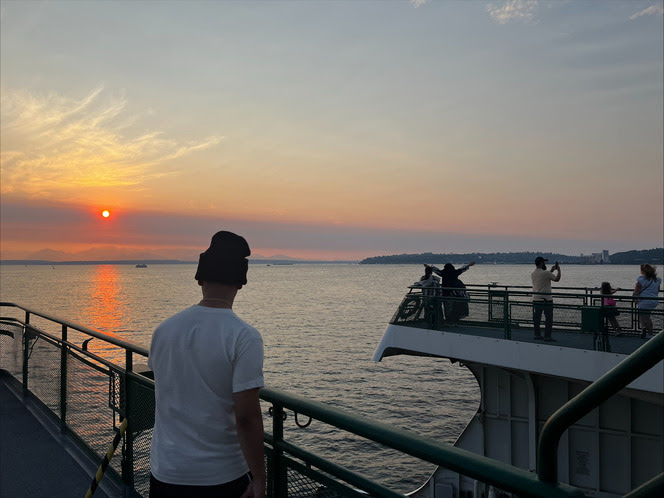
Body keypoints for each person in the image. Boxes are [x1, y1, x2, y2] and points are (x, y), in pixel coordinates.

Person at [148, 231, 266, 498]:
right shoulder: (244, 336)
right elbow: (246, 418)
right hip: (221, 476)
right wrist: (259, 478)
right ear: (241, 283)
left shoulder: (164, 330)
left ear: (200, 279)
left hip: (166, 471)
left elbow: (167, 384)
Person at [531, 256, 561, 341]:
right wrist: (558, 270)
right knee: (548, 319)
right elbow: (557, 279)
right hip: (546, 299)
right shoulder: (546, 273)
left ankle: (537, 334)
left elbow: (544, 278)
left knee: (537, 319)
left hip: (536, 299)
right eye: (544, 262)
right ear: (541, 263)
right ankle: (547, 336)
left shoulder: (533, 273)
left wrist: (551, 271)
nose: (545, 263)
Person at [633, 264, 662, 338]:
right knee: (644, 315)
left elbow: (636, 291)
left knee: (645, 317)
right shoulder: (656, 279)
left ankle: (650, 333)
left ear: (642, 271)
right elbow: (658, 290)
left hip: (644, 301)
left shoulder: (641, 280)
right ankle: (644, 329)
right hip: (654, 300)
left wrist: (635, 298)